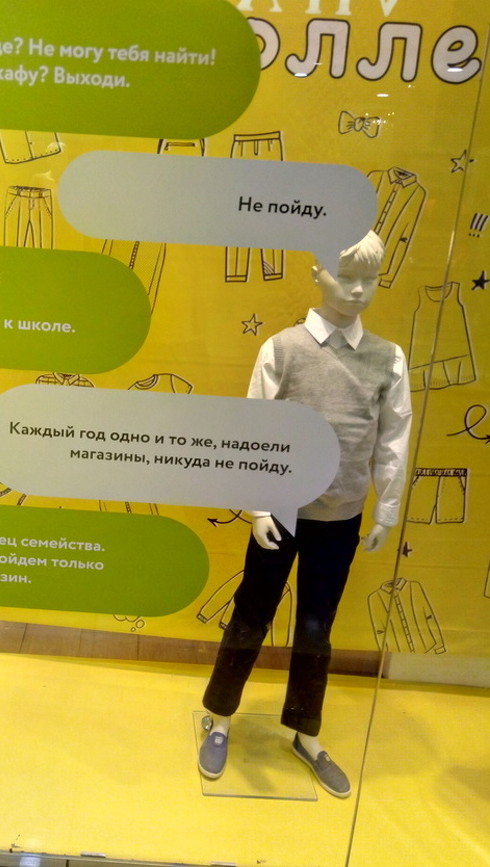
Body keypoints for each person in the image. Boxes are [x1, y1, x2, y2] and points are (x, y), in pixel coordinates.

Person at [198, 231, 412, 797]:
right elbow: (254, 430)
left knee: (318, 626)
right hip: (282, 512)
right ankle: (219, 717)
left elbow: (393, 439)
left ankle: (305, 732)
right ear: (318, 274)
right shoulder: (283, 349)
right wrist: (258, 506)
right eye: (347, 276)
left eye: (370, 279)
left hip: (341, 516)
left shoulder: (388, 358)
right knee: (251, 614)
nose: (359, 290)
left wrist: (386, 510)